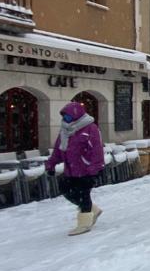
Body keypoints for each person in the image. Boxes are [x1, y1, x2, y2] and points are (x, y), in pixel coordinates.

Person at [45, 101, 105, 236]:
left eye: (68, 116)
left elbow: (97, 150)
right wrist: (51, 164)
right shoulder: (65, 131)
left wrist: (95, 168)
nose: (65, 119)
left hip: (86, 169)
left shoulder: (91, 128)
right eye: (64, 116)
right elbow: (58, 150)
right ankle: (92, 210)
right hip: (71, 169)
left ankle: (84, 223)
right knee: (65, 189)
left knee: (84, 193)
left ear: (76, 115)